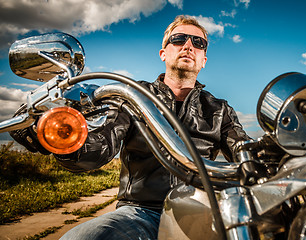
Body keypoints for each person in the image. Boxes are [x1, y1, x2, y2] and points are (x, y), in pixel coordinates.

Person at [12, 15, 250, 239]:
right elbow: (101, 146)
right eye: (178, 39)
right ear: (163, 53)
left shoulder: (220, 110)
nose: (188, 45)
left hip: (204, 211)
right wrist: (64, 137)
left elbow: (245, 151)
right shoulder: (133, 95)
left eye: (198, 43)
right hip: (141, 211)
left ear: (203, 60)